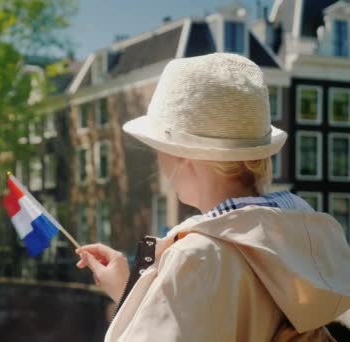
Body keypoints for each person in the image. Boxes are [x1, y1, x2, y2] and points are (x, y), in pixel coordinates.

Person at [75, 53, 350, 341]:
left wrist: (142, 295)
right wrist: (135, 292)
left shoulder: (194, 259)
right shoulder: (306, 239)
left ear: (180, 156)